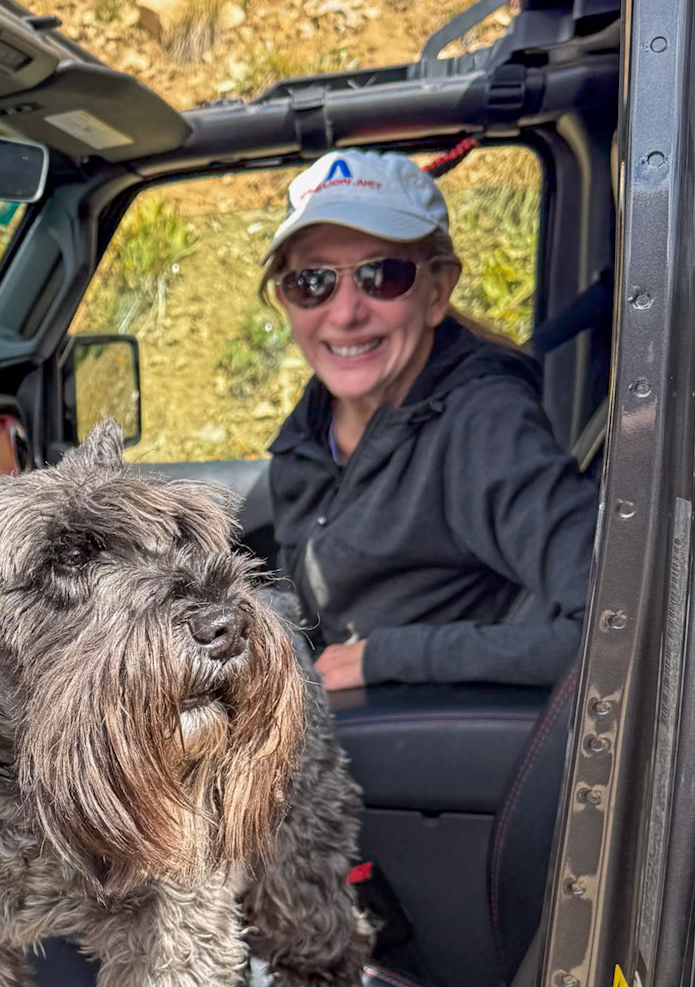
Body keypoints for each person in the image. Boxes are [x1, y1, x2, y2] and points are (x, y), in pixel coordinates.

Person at [245, 149, 598, 694]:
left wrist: (387, 657)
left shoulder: (484, 428)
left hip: (419, 745)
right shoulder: (311, 429)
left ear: (437, 292)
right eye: (312, 282)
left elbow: (612, 631)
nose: (344, 313)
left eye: (381, 276)